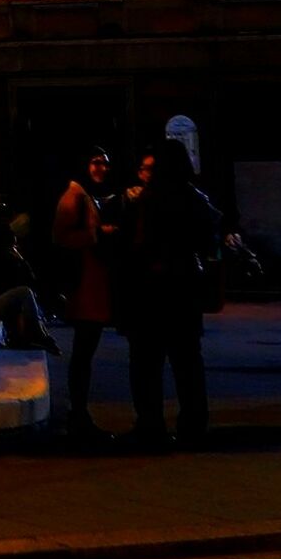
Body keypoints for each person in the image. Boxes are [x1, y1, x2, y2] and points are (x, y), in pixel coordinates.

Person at [118, 138, 223, 449]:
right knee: (187, 361)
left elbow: (134, 245)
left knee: (146, 362)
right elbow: (208, 241)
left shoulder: (146, 201)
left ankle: (150, 424)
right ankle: (193, 424)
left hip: (149, 292)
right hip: (184, 289)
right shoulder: (194, 198)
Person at [51, 147, 120, 443]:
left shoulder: (85, 194)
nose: (101, 168)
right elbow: (61, 237)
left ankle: (79, 414)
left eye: (105, 163)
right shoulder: (75, 195)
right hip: (85, 287)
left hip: (92, 285)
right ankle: (78, 416)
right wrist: (98, 235)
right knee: (82, 355)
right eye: (96, 162)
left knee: (84, 354)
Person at [0, 212, 61, 355]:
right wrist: (21, 261)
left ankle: (24, 337)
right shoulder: (1, 253)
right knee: (24, 293)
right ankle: (38, 335)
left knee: (18, 296)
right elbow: (25, 280)